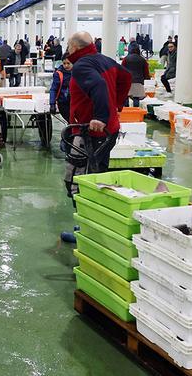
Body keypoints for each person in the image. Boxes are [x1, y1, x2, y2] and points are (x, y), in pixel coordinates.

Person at [62, 32, 131, 243]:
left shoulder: (82, 65)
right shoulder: (105, 60)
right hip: (109, 131)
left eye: (68, 45)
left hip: (90, 133)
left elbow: (99, 86)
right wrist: (116, 106)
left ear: (74, 47)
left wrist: (101, 116)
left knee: (77, 180)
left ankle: (87, 230)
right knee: (98, 176)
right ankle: (93, 225)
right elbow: (126, 77)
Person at [49, 55, 72, 121]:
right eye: (64, 63)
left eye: (68, 63)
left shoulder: (78, 73)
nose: (66, 65)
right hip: (63, 103)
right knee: (71, 122)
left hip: (75, 102)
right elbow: (53, 89)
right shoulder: (58, 74)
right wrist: (52, 104)